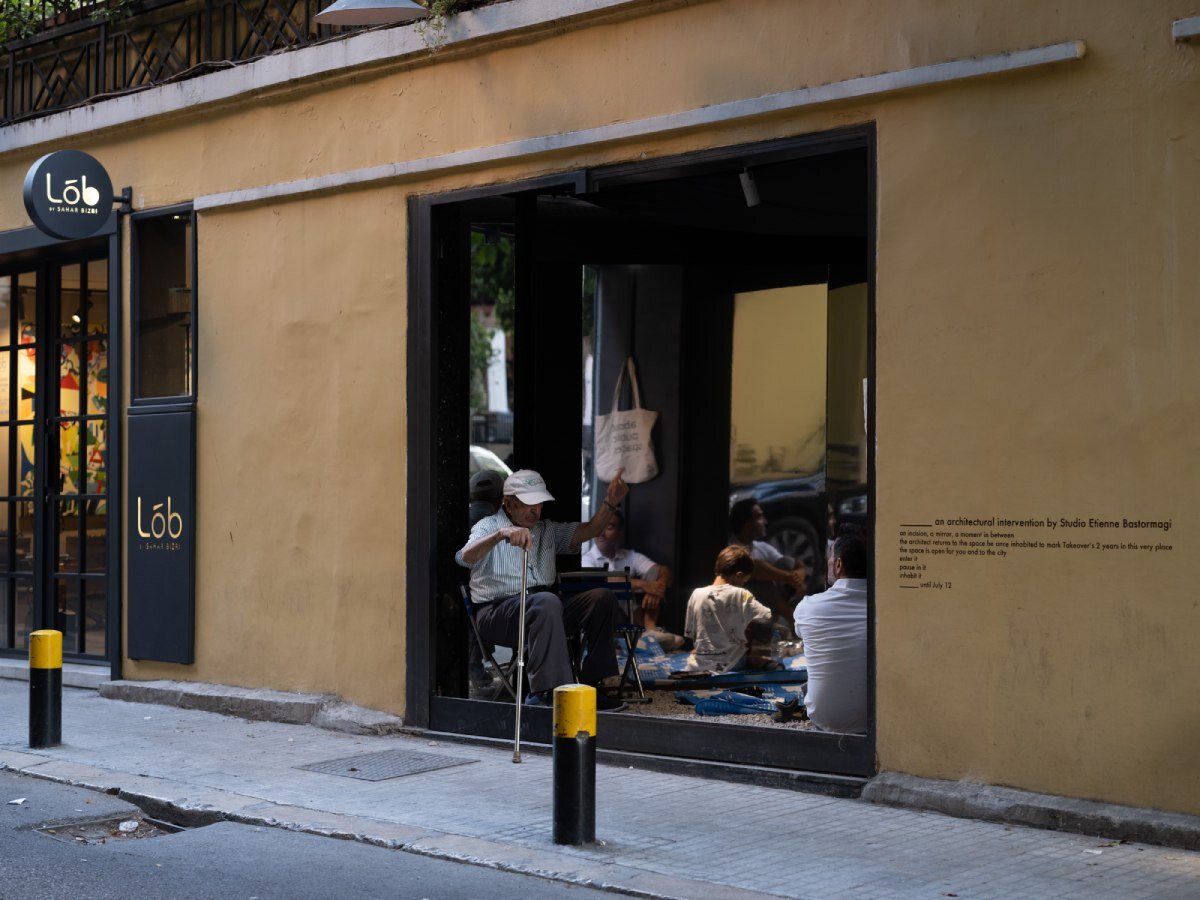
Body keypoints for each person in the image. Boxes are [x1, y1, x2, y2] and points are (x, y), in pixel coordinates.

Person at [456, 466, 630, 710]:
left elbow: (591, 530)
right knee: (546, 602)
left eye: (539, 503)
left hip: (544, 609)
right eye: (528, 504)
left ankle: (591, 685)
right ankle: (546, 693)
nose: (535, 510)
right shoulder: (489, 525)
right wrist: (499, 535)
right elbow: (464, 557)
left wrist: (610, 503)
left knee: (601, 597)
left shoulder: (546, 530)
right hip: (498, 613)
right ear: (508, 504)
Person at [793, 529, 869, 733]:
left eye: (830, 559)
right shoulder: (890, 609)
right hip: (879, 719)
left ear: (838, 565)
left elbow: (800, 632)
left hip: (826, 718)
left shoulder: (808, 607)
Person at [683, 545, 774, 673]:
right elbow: (766, 616)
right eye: (744, 580)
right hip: (731, 663)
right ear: (739, 575)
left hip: (701, 663)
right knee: (753, 657)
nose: (743, 584)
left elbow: (692, 633)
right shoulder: (741, 594)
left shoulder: (696, 593)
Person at [581, 510, 673, 634]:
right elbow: (604, 583)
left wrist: (656, 590)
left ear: (619, 533)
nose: (601, 533)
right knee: (607, 595)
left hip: (629, 619)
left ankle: (650, 629)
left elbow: (664, 571)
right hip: (602, 621)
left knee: (654, 574)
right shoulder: (586, 560)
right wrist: (645, 585)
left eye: (609, 527)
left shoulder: (629, 556)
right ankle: (648, 635)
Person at [728, 499, 808, 625]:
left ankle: (788, 619)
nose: (765, 521)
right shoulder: (730, 548)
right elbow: (755, 567)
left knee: (786, 563)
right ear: (747, 526)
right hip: (741, 608)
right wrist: (788, 577)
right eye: (760, 517)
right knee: (762, 583)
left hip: (767, 605)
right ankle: (792, 620)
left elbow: (797, 563)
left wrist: (798, 575)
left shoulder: (760, 546)